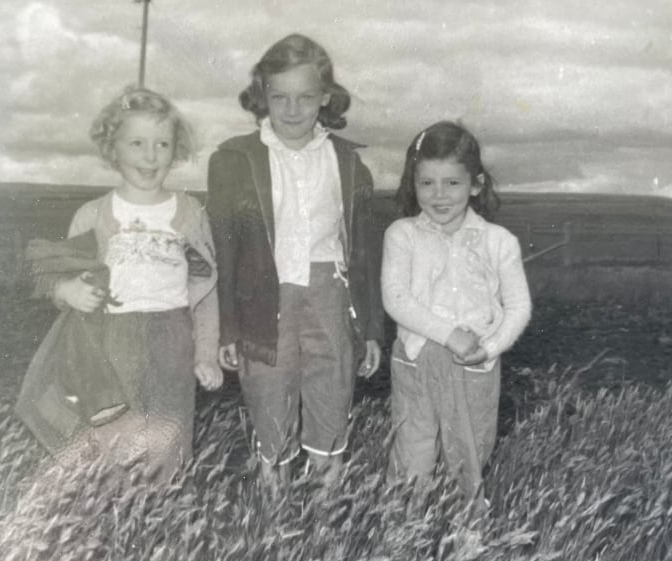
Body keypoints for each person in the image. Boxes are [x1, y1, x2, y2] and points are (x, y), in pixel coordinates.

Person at [206, 33, 384, 490]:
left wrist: (370, 329)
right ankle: (274, 519)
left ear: (325, 97)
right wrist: (228, 327)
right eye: (279, 96)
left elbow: (363, 251)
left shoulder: (346, 161)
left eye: (305, 97)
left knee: (332, 391)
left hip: (330, 293)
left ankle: (326, 523)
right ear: (261, 95)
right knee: (269, 396)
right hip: (264, 295)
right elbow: (224, 251)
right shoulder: (233, 160)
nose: (291, 109)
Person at [16, 86, 222, 480]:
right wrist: (67, 292)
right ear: (113, 149)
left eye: (163, 144)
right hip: (110, 340)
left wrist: (206, 353)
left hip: (173, 338)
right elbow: (58, 276)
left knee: (168, 439)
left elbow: (207, 290)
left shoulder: (191, 212)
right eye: (137, 143)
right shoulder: (92, 214)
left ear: (176, 149)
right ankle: (112, 521)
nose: (150, 156)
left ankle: (160, 524)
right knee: (112, 443)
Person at [381, 121, 531, 514]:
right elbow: (396, 299)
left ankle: (465, 531)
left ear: (476, 184)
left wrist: (490, 347)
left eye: (452, 183)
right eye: (426, 183)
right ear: (412, 184)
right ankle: (404, 532)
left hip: (474, 365)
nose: (439, 195)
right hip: (416, 360)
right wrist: (449, 335)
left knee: (470, 449)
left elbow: (518, 307)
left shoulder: (499, 242)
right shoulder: (402, 234)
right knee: (413, 449)